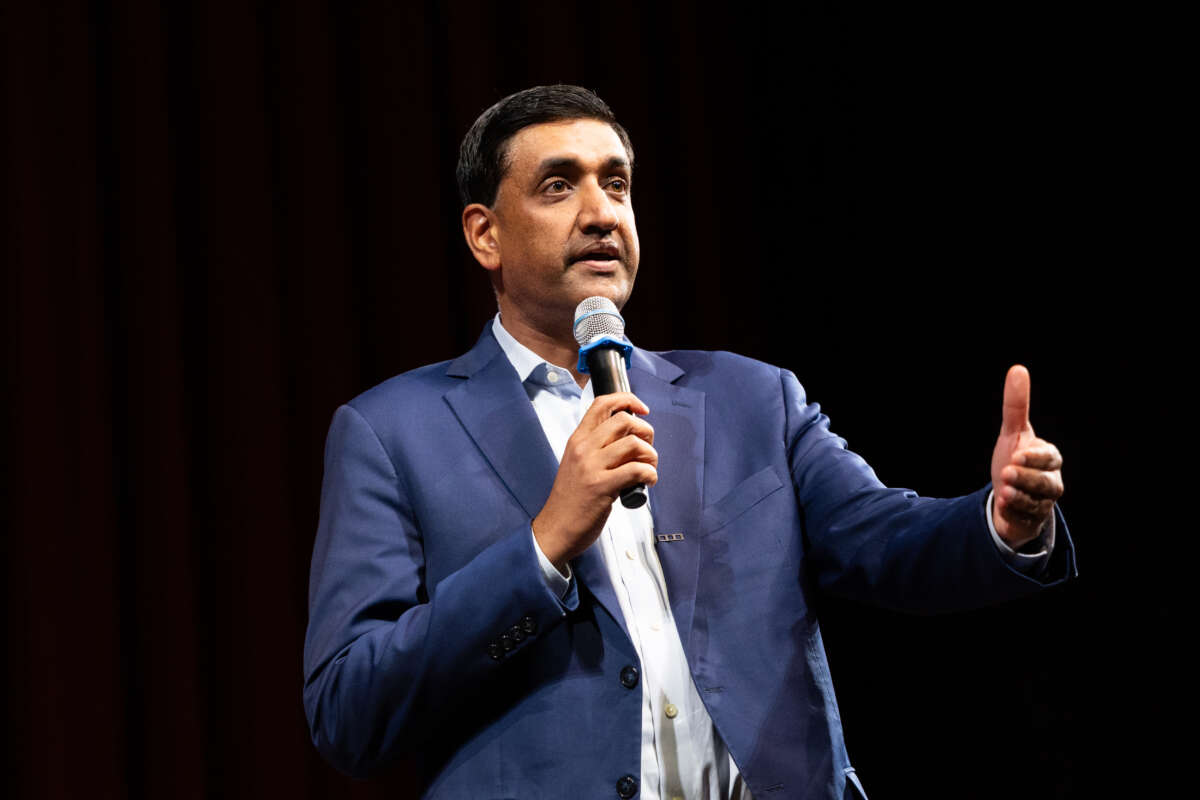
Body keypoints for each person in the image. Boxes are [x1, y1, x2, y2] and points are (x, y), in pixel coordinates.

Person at [302, 85, 1074, 800]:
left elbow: (893, 544)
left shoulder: (750, 398)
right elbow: (348, 709)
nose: (602, 213)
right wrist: (540, 549)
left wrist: (1002, 522)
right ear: (485, 235)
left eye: (617, 183)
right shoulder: (394, 430)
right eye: (558, 186)